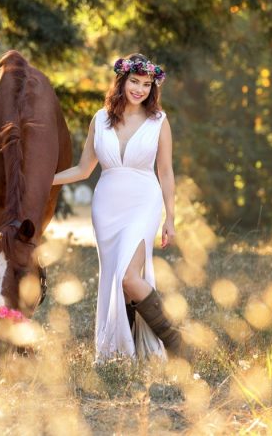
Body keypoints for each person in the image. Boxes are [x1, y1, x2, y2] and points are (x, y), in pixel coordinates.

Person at [53, 53, 185, 362]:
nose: (140, 89)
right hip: (107, 205)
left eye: (146, 84)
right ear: (122, 81)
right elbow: (84, 169)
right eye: (134, 82)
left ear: (153, 87)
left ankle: (175, 342)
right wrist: (45, 181)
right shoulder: (100, 119)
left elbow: (165, 172)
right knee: (115, 277)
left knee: (128, 277)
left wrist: (170, 218)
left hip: (143, 201)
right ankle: (125, 350)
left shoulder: (159, 121)